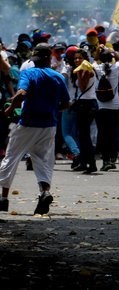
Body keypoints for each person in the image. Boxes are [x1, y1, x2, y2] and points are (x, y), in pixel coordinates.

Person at [0, 44, 70, 214]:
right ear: (49, 58)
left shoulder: (29, 73)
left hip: (27, 123)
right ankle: (44, 192)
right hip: (49, 125)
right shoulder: (58, 77)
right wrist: (53, 110)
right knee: (42, 161)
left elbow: (22, 93)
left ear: (35, 59)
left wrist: (8, 110)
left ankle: (3, 198)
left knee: (11, 157)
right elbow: (66, 103)